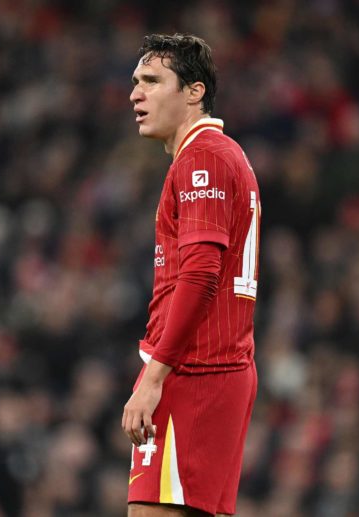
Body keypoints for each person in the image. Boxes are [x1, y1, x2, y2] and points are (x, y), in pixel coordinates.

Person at [122, 34, 261, 517]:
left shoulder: (204, 157)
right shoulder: (218, 156)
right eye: (135, 82)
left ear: (194, 91)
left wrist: (153, 377)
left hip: (196, 374)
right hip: (211, 371)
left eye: (152, 81)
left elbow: (201, 274)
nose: (136, 94)